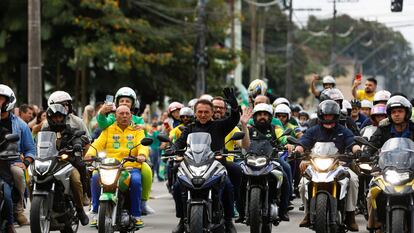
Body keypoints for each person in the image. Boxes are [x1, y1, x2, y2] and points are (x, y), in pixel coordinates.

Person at [169, 88, 240, 233]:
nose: (202, 115)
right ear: (195, 113)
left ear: (212, 113)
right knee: (177, 187)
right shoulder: (189, 128)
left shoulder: (220, 126)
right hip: (192, 164)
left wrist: (234, 105)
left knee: (227, 185)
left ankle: (228, 221)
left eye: (206, 112)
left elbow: (234, 119)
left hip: (215, 164)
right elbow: (179, 142)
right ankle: (182, 220)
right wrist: (173, 149)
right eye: (200, 112)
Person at [292, 100, 361, 231]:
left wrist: (357, 151)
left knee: (353, 179)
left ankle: (350, 215)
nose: (328, 119)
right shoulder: (313, 131)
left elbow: (352, 143)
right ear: (321, 116)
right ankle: (307, 213)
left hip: (340, 165)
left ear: (336, 116)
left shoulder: (343, 130)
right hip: (316, 165)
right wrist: (297, 151)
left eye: (331, 116)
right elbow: (303, 143)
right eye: (326, 116)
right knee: (302, 184)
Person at [85, 105, 150, 228]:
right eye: (121, 113)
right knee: (95, 177)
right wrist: (90, 154)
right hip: (109, 166)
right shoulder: (108, 129)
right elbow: (97, 143)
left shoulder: (138, 130)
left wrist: (141, 154)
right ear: (115, 116)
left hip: (130, 166)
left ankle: (136, 215)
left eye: (127, 113)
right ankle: (95, 211)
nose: (124, 116)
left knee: (136, 181)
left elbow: (143, 145)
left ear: (131, 116)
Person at [362, 95, 414, 230]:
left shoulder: (413, 128)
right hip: (387, 170)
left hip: (411, 169)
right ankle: (376, 223)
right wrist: (365, 154)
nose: (397, 114)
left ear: (406, 112)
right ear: (390, 114)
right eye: (393, 112)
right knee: (372, 193)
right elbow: (372, 144)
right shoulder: (383, 128)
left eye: (400, 111)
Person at [240, 103, 291, 222]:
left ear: (270, 117)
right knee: (240, 179)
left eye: (265, 115)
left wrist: (288, 144)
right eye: (259, 115)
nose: (262, 117)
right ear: (255, 117)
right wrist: (243, 125)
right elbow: (244, 143)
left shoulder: (276, 129)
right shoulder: (249, 129)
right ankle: (241, 212)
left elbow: (283, 139)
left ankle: (283, 210)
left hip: (271, 160)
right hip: (250, 160)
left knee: (284, 176)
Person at [41, 104, 89, 225]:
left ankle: (79, 209)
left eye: (60, 117)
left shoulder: (71, 130)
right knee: (33, 178)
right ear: (49, 118)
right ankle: (37, 208)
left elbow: (78, 138)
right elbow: (38, 144)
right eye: (55, 117)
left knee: (76, 179)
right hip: (49, 164)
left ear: (64, 117)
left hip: (67, 164)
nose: (57, 119)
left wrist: (77, 144)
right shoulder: (45, 131)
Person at [0, 84, 36, 226]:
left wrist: (25, 163)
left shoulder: (21, 125)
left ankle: (18, 208)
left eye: (1, 100)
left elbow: (30, 149)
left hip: (12, 161)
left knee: (18, 173)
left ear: (9, 102)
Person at [211, 96, 250, 222]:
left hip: (223, 163)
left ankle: (232, 208)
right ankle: (183, 218)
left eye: (220, 108)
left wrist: (244, 126)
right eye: (214, 107)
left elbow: (245, 146)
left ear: (225, 110)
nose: (217, 110)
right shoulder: (202, 124)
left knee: (236, 172)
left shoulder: (231, 127)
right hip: (201, 163)